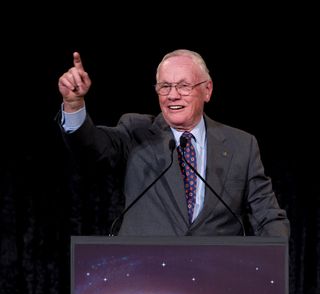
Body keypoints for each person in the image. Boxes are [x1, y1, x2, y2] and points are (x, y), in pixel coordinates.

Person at [57, 49, 290, 237]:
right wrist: (74, 105)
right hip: (145, 276)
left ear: (207, 90)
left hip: (216, 279)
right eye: (165, 86)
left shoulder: (242, 145)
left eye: (184, 86)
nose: (173, 95)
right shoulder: (136, 132)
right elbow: (92, 149)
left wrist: (273, 257)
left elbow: (266, 214)